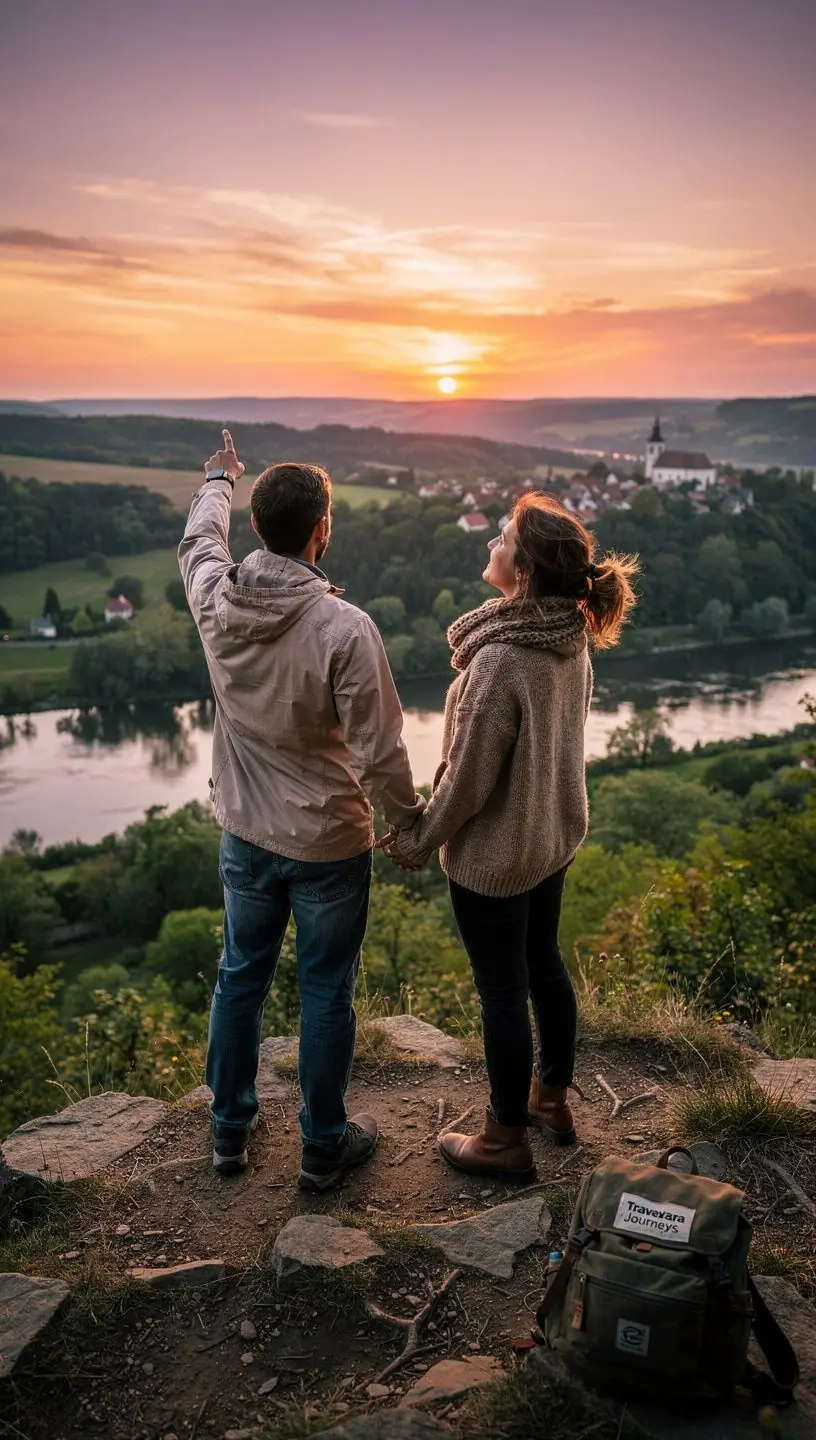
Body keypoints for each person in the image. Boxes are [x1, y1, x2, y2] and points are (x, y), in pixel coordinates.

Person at [179, 431, 424, 1188]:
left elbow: (197, 538)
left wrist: (219, 476)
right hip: (327, 842)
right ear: (322, 528)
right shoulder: (344, 629)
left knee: (239, 977)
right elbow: (380, 752)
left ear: (259, 527)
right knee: (324, 991)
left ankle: (229, 1131)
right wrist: (408, 824)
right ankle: (322, 1146)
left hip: (246, 832)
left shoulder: (216, 596)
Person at [380, 494, 638, 1181]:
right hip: (550, 839)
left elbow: (464, 782)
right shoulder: (568, 634)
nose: (490, 540)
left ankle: (502, 1139)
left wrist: (415, 837)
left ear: (521, 572)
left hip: (496, 858)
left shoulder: (500, 662)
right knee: (544, 965)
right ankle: (550, 1101)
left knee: (502, 990)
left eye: (503, 536)